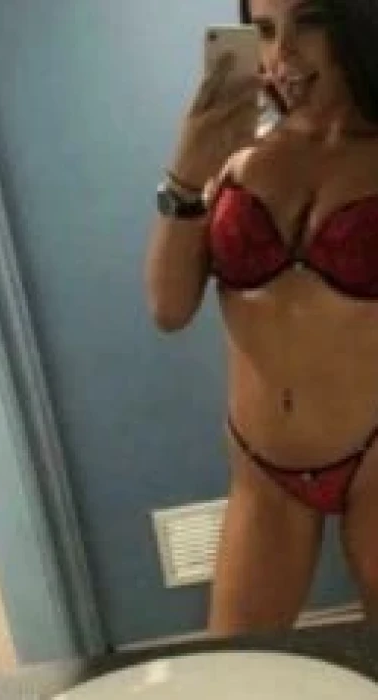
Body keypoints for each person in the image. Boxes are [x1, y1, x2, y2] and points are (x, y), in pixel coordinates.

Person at [144, 0, 378, 636]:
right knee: (238, 668)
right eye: (266, 30)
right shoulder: (236, 158)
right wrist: (187, 168)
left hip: (375, 461)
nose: (282, 54)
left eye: (309, 22)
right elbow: (168, 308)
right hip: (265, 470)